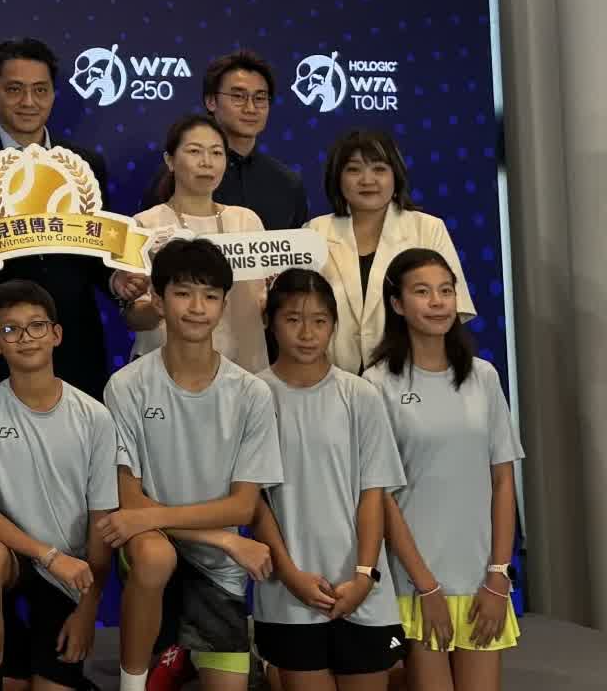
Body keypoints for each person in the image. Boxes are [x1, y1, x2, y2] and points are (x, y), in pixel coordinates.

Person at [100, 238, 283, 691]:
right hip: (152, 549)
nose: (197, 308)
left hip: (218, 569)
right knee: (155, 554)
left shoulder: (251, 393)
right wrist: (223, 537)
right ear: (158, 300)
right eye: (183, 293)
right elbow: (129, 502)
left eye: (210, 296)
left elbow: (243, 506)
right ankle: (131, 684)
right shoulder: (126, 385)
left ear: (224, 305)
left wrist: (219, 540)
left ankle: (187, 654)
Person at [0, 38, 119, 404]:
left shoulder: (86, 165)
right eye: (14, 89)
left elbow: (100, 254)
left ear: (54, 95)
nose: (29, 102)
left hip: (74, 349)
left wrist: (118, 282)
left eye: (40, 90)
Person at [366, 250, 523, 690]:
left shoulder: (483, 377)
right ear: (397, 304)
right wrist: (426, 588)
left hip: (481, 581)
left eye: (446, 291)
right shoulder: (376, 384)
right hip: (416, 583)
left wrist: (498, 576)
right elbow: (382, 495)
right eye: (422, 292)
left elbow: (503, 480)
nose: (437, 302)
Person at [0, 281, 117, 691]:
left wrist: (88, 609)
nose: (25, 337)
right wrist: (47, 555)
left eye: (37, 326)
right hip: (14, 563)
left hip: (68, 578)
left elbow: (102, 521)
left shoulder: (94, 417)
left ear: (56, 334)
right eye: (10, 330)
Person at [250, 271, 407, 689]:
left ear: (334, 325)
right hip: (289, 596)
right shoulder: (253, 396)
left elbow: (373, 493)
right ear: (270, 322)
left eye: (319, 321)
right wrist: (290, 575)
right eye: (293, 319)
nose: (307, 333)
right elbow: (254, 502)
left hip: (362, 591)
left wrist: (364, 576)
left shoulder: (360, 395)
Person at [305, 130, 474, 373]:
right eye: (354, 170)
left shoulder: (427, 228)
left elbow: (452, 308)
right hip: (331, 376)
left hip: (408, 374)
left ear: (396, 176)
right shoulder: (314, 231)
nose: (367, 180)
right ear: (337, 178)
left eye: (379, 169)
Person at [116, 115, 267, 372]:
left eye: (216, 153)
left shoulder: (246, 221)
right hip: (166, 371)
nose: (207, 162)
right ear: (170, 160)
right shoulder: (143, 225)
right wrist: (161, 304)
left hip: (242, 371)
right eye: (195, 151)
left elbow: (262, 306)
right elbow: (134, 317)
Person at [196, 51, 309, 231]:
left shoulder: (287, 182)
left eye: (260, 98)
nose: (251, 108)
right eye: (238, 97)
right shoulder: (187, 174)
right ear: (211, 101)